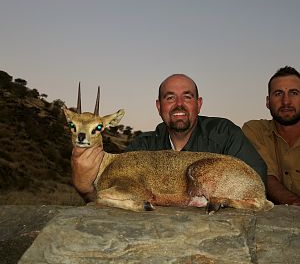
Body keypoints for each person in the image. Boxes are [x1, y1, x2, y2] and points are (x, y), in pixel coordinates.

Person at [72, 74, 267, 203]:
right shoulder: (142, 146)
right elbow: (122, 194)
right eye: (170, 98)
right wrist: (84, 186)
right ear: (159, 106)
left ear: (199, 104)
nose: (179, 105)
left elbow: (254, 184)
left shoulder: (224, 132)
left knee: (199, 171)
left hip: (226, 214)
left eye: (187, 97)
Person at [242, 66, 300, 205]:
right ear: (268, 102)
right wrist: (294, 204)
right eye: (278, 93)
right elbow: (264, 175)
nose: (286, 101)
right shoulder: (255, 130)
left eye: (294, 93)